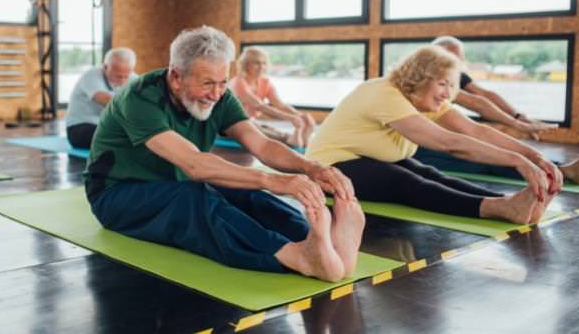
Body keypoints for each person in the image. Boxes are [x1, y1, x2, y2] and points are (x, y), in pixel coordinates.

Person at [85, 26, 364, 282]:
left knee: (247, 192)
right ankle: (294, 256)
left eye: (222, 82)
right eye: (207, 84)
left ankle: (321, 241)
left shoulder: (220, 95)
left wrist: (311, 168)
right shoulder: (139, 98)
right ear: (176, 76)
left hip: (174, 182)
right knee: (194, 199)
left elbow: (262, 145)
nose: (216, 93)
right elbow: (194, 164)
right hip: (116, 196)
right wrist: (275, 181)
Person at [306, 45, 562, 226]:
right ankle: (499, 208)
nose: (447, 92)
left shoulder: (427, 98)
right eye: (442, 83)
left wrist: (533, 156)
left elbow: (476, 130)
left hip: (368, 159)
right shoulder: (385, 94)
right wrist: (518, 162)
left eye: (451, 85)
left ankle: (508, 202)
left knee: (429, 173)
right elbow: (449, 144)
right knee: (405, 181)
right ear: (418, 77)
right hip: (328, 169)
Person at [415, 36, 579, 183]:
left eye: (459, 61)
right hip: (415, 149)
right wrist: (516, 124)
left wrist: (518, 117)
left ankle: (557, 169)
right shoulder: (425, 80)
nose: (455, 66)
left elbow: (483, 97)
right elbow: (475, 102)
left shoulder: (451, 74)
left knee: (483, 145)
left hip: (431, 137)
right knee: (480, 158)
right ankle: (562, 172)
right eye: (451, 59)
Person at [229, 47, 316, 148]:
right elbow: (260, 106)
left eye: (264, 63)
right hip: (233, 125)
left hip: (250, 121)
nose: (261, 67)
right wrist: (291, 118)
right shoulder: (238, 83)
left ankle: (300, 142)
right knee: (282, 140)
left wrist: (300, 115)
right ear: (246, 64)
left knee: (283, 135)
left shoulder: (265, 82)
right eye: (256, 63)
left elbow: (279, 104)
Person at [65, 47, 138, 149]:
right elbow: (104, 99)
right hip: (80, 127)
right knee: (124, 137)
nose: (123, 81)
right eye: (118, 76)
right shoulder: (91, 75)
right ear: (105, 67)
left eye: (126, 76)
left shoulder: (133, 78)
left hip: (109, 127)